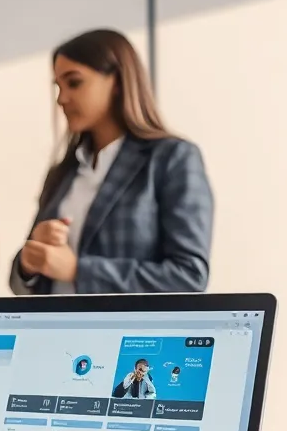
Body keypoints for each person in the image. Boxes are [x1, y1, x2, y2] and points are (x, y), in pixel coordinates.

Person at [11, 29, 213, 295]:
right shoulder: (63, 172)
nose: (62, 98)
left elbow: (188, 277)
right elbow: (19, 285)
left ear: (117, 82)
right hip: (57, 333)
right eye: (58, 86)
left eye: (74, 83)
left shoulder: (171, 159)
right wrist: (30, 260)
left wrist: (78, 271)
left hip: (130, 336)